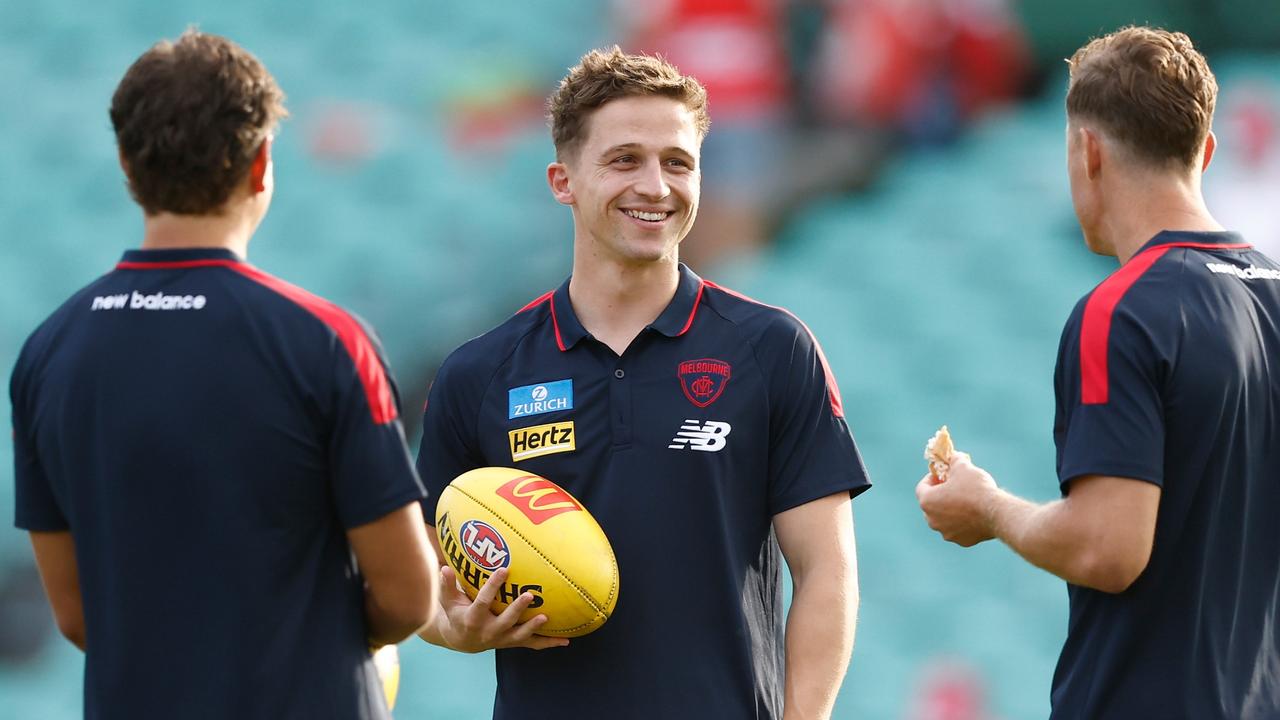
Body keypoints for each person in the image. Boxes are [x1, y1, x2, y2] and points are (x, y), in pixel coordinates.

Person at [416, 47, 870, 719]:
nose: (656, 186)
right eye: (625, 159)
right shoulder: (479, 374)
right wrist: (452, 627)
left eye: (677, 162)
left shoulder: (773, 349)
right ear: (562, 181)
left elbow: (827, 572)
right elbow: (421, 577)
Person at [11, 30, 437, 719]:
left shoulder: (49, 350)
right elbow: (408, 597)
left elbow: (76, 614)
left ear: (125, 164)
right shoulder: (327, 341)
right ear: (262, 163)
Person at [916, 26, 1280, 719]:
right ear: (1204, 151)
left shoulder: (1122, 310)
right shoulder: (1273, 292)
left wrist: (988, 507)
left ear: (1088, 154)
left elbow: (1108, 548)